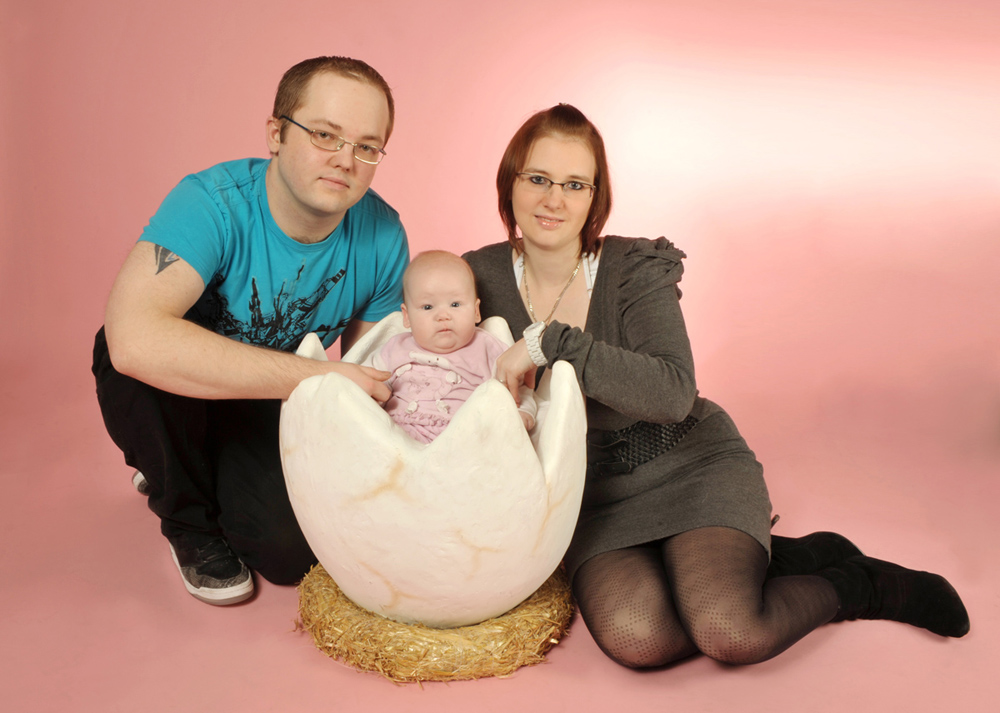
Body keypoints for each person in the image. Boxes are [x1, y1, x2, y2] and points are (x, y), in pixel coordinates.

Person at [464, 104, 969, 668]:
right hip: (595, 499)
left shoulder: (633, 267)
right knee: (639, 639)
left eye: (575, 184)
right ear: (510, 181)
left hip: (691, 464)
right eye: (537, 178)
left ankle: (861, 585)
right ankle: (784, 558)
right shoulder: (475, 279)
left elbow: (671, 393)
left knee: (730, 631)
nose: (554, 199)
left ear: (595, 197)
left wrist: (551, 343)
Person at [92, 56, 409, 606]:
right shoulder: (212, 202)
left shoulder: (383, 234)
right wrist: (318, 375)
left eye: (367, 146)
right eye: (325, 135)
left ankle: (186, 467)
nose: (345, 160)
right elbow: (134, 338)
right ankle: (184, 513)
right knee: (131, 362)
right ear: (276, 134)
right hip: (174, 386)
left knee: (289, 555)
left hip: (267, 397)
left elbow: (368, 376)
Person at [366, 250, 536, 443]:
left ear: (476, 311)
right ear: (407, 316)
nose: (443, 316)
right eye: (428, 307)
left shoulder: (487, 348)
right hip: (397, 438)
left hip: (463, 440)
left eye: (455, 304)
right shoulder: (395, 348)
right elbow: (366, 387)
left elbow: (518, 389)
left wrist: (522, 413)